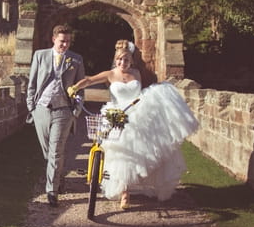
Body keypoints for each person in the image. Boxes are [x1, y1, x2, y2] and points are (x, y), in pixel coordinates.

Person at [69, 39, 198, 209]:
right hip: (116, 115)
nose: (123, 63)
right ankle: (124, 192)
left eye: (126, 60)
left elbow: (147, 90)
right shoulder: (110, 74)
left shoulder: (137, 73)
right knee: (121, 155)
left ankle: (132, 186)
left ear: (131, 61)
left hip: (136, 114)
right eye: (120, 60)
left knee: (139, 154)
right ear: (116, 60)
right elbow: (89, 80)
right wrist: (75, 87)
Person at [26, 24, 85, 207]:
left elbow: (81, 87)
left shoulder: (76, 60)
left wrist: (75, 110)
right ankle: (58, 178)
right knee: (48, 152)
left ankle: (51, 191)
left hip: (63, 111)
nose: (65, 45)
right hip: (41, 109)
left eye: (68, 42)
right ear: (54, 39)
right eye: (62, 41)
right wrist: (32, 107)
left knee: (56, 151)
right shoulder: (40, 56)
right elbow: (32, 82)